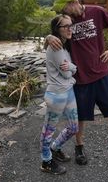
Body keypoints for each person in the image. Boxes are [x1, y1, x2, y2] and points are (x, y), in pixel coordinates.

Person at [47, 0, 108, 170]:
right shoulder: (66, 21)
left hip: (102, 73)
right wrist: (49, 37)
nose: (64, 13)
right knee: (81, 116)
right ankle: (79, 147)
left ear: (73, 2)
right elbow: (53, 32)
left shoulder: (96, 11)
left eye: (64, 8)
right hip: (80, 77)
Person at [40, 14, 79, 175]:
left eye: (71, 25)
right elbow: (66, 75)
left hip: (68, 91)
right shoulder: (55, 47)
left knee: (74, 127)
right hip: (56, 94)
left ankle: (55, 148)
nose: (70, 29)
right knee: (48, 130)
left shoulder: (64, 45)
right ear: (57, 29)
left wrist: (71, 67)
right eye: (65, 26)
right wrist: (73, 68)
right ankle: (46, 161)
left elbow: (69, 71)